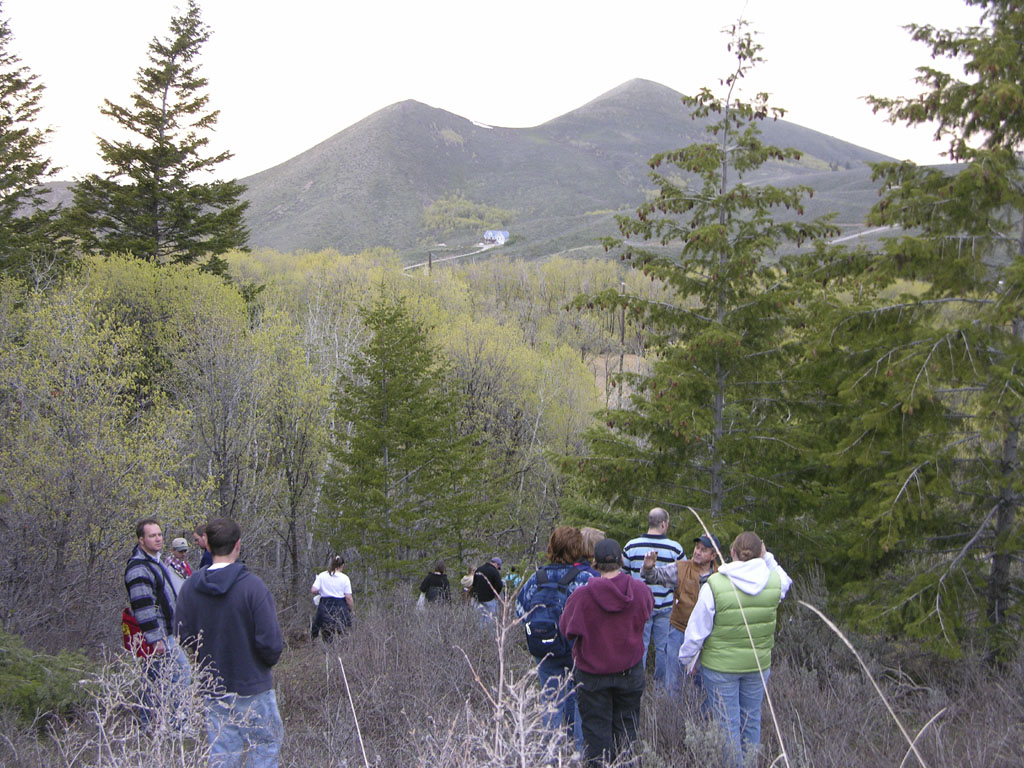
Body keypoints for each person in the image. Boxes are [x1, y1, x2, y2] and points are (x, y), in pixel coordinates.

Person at [175, 517, 284, 767]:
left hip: (213, 686)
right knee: (264, 746)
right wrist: (261, 666)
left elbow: (183, 635)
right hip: (253, 685)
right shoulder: (254, 588)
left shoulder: (190, 588)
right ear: (238, 545)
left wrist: (205, 657)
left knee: (223, 754)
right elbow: (271, 644)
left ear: (209, 546)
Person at [678, 532, 792, 768]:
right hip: (757, 665)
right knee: (751, 721)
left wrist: (686, 658)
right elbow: (785, 579)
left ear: (730, 553)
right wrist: (767, 557)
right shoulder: (773, 583)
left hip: (720, 668)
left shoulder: (716, 585)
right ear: (761, 554)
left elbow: (697, 630)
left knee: (726, 726)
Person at [560, 538, 653, 767]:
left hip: (592, 677)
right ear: (621, 560)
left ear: (595, 563)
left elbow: (566, 630)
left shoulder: (582, 596)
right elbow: (647, 613)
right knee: (626, 737)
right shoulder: (640, 591)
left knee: (596, 738)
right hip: (629, 673)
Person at [514, 526, 592, 747]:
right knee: (579, 701)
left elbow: (520, 612)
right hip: (577, 650)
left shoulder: (536, 578)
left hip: (544, 649)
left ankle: (551, 754)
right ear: (578, 549)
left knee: (550, 700)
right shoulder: (584, 580)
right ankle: (579, 753)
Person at [124, 518, 191, 728]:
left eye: (160, 534)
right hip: (158, 636)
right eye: (152, 535)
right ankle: (175, 725)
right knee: (181, 674)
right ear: (141, 540)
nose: (158, 538)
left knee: (153, 681)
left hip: (165, 633)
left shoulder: (156, 561)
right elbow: (143, 607)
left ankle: (150, 726)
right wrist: (155, 639)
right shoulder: (138, 568)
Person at [640, 533, 721, 695]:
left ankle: (703, 719)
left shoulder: (722, 575)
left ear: (713, 555)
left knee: (705, 686)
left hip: (709, 638)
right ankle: (671, 717)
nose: (697, 552)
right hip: (680, 631)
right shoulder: (681, 568)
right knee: (674, 683)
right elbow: (654, 577)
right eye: (697, 547)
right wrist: (648, 567)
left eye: (703, 550)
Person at [622, 507, 684, 684]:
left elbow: (622, 576)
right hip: (665, 607)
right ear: (664, 524)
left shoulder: (631, 546)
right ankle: (660, 690)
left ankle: (637, 687)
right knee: (664, 649)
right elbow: (683, 578)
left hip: (638, 607)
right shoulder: (675, 549)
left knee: (638, 648)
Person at [311, 555, 354, 640]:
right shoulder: (345, 578)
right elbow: (348, 598)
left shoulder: (322, 575)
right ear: (342, 566)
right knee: (342, 631)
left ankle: (327, 651)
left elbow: (313, 590)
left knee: (326, 632)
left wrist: (320, 592)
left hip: (325, 605)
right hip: (340, 606)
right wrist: (352, 610)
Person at [470, 556, 503, 625]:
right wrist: (495, 594)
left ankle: (479, 635)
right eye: (498, 567)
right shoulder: (494, 571)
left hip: (477, 599)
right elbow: (499, 585)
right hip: (489, 599)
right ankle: (490, 635)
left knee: (478, 621)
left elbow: (474, 584)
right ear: (496, 564)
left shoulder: (479, 569)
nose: (497, 568)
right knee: (491, 621)